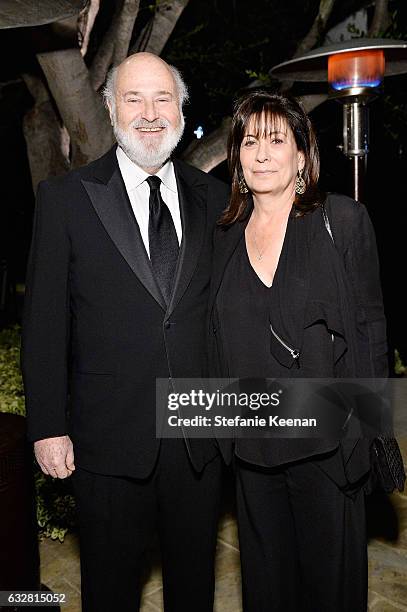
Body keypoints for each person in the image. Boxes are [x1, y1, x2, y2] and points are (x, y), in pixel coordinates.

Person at [21, 52, 229, 612]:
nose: (150, 113)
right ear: (111, 109)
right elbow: (43, 323)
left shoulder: (216, 198)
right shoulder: (66, 198)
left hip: (197, 439)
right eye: (133, 98)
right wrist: (48, 426)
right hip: (107, 441)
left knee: (195, 590)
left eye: (163, 98)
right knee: (110, 591)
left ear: (182, 110)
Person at [207, 91, 391, 611]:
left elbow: (371, 330)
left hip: (328, 449)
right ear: (237, 158)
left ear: (303, 155)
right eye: (249, 141)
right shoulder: (224, 235)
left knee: (330, 592)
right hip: (252, 450)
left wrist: (369, 438)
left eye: (276, 140)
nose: (261, 153)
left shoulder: (343, 221)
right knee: (267, 590)